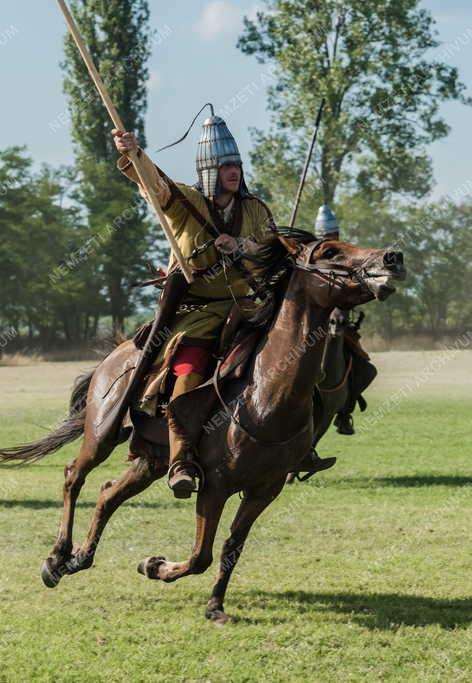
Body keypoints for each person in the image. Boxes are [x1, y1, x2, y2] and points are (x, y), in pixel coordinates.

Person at [113, 111, 275, 497]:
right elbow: (154, 183)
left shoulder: (255, 210)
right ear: (209, 169)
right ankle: (181, 458)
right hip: (198, 312)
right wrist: (135, 154)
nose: (233, 171)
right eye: (225, 165)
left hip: (247, 306)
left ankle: (294, 442)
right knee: (189, 366)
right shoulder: (185, 202)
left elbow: (272, 251)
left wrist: (242, 248)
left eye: (236, 164)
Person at [313, 204, 377, 437]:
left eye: (333, 234)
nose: (330, 238)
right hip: (312, 321)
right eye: (326, 235)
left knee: (366, 370)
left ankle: (344, 413)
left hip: (340, 320)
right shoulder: (312, 256)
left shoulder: (347, 255)